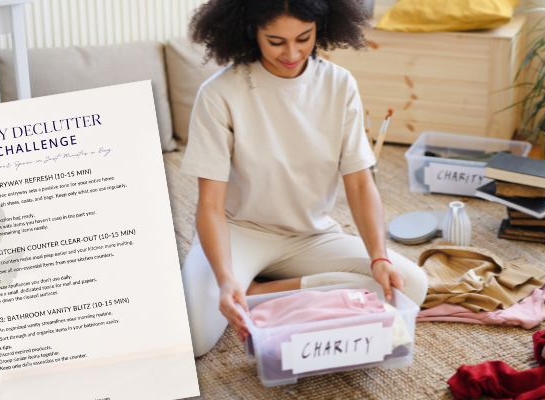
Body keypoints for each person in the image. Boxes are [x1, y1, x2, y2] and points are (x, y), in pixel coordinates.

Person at [180, 0, 428, 357]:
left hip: (311, 237)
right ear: (251, 32)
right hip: (240, 232)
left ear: (320, 28)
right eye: (276, 41)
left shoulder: (339, 84)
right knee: (195, 338)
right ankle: (242, 284)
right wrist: (224, 279)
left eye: (304, 38)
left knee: (411, 285)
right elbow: (209, 205)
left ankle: (261, 292)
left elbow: (359, 183)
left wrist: (379, 257)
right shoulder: (220, 93)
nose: (292, 53)